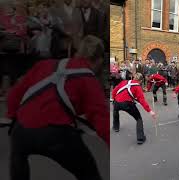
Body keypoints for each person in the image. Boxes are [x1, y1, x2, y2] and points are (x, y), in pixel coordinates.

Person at [6, 35, 109, 180]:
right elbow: (101, 118)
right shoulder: (89, 80)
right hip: (56, 135)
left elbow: (15, 94)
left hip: (21, 130)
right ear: (99, 60)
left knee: (18, 160)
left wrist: (14, 118)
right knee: (89, 174)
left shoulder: (44, 65)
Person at [112, 73, 156, 144]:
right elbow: (142, 101)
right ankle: (140, 138)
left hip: (117, 101)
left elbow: (114, 91)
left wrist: (114, 99)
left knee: (115, 110)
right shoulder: (138, 87)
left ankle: (116, 127)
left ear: (133, 78)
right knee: (138, 118)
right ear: (141, 81)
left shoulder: (124, 82)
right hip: (127, 104)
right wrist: (150, 111)